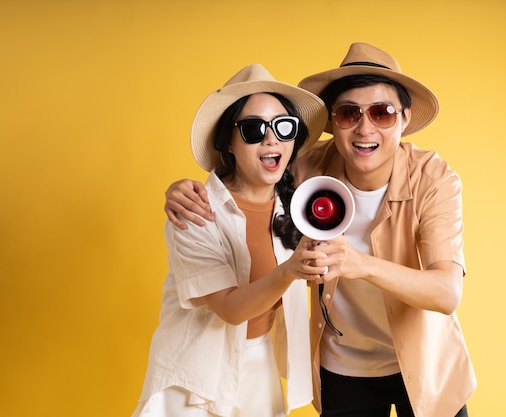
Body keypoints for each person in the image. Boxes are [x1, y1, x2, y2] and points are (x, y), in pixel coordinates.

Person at [163, 43, 477, 417]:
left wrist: (360, 264)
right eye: (349, 113)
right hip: (342, 369)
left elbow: (447, 293)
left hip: (426, 365)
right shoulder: (303, 167)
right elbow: (249, 177)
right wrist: (183, 189)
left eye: (382, 113)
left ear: (404, 118)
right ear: (332, 121)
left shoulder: (434, 178)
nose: (365, 128)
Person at [132, 63, 330, 417]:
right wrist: (289, 271)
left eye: (284, 127)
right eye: (254, 129)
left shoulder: (299, 206)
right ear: (229, 141)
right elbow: (231, 308)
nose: (271, 139)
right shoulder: (195, 211)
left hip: (258, 363)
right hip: (194, 375)